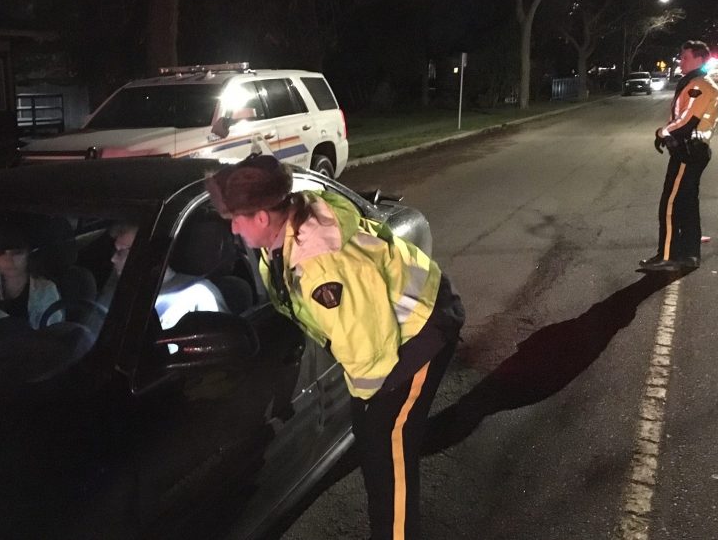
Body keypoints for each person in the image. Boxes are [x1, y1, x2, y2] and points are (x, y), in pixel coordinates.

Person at [205, 154, 465, 540]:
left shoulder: (321, 268)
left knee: (386, 451)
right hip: (391, 328)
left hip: (423, 329)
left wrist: (370, 407)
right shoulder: (283, 227)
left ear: (261, 217)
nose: (232, 228)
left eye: (235, 218)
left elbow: (370, 352)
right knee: (372, 436)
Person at [640, 40, 718, 272]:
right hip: (693, 150)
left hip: (688, 152)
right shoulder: (697, 83)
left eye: (685, 57)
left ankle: (667, 255)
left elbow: (687, 121)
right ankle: (689, 254)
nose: (681, 60)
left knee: (670, 204)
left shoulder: (699, 85)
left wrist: (661, 132)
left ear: (700, 59)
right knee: (687, 203)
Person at [107, 223, 228, 329]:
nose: (113, 259)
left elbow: (220, 345)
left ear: (149, 252)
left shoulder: (199, 293)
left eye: (121, 252)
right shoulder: (125, 294)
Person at [0, 223, 61, 330]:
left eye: (17, 252)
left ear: (28, 254)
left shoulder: (45, 290)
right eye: (0, 253)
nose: (8, 259)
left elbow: (52, 336)